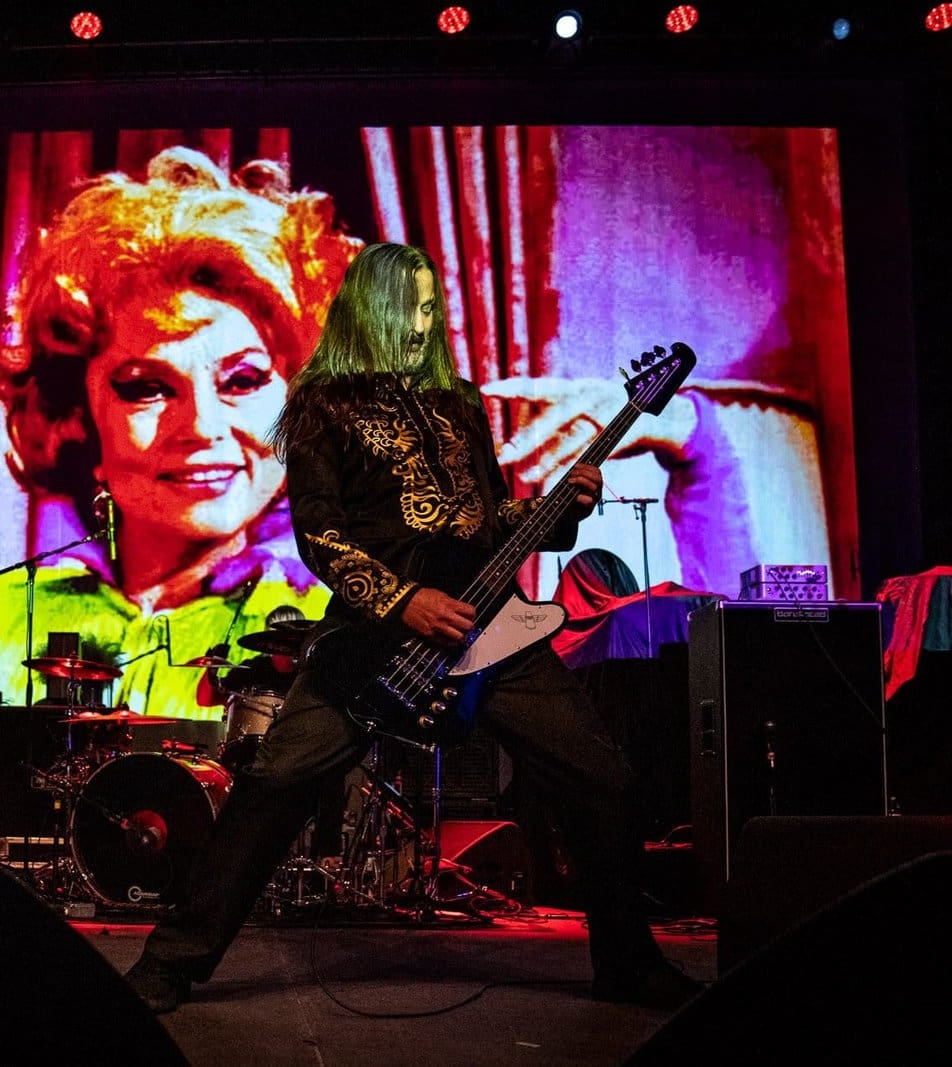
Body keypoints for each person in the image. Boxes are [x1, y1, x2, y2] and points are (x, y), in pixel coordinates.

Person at [122, 242, 703, 1013]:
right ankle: (170, 963)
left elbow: (491, 519)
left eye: (434, 306)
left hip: (488, 625)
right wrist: (403, 601)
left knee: (603, 776)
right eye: (413, 305)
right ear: (374, 306)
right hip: (373, 637)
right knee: (274, 786)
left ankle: (627, 962)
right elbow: (320, 536)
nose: (427, 320)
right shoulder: (323, 403)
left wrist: (560, 507)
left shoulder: (459, 400)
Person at [0, 147, 360, 719]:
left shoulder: (336, 626)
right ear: (75, 416)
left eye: (243, 381)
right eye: (146, 387)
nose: (200, 426)